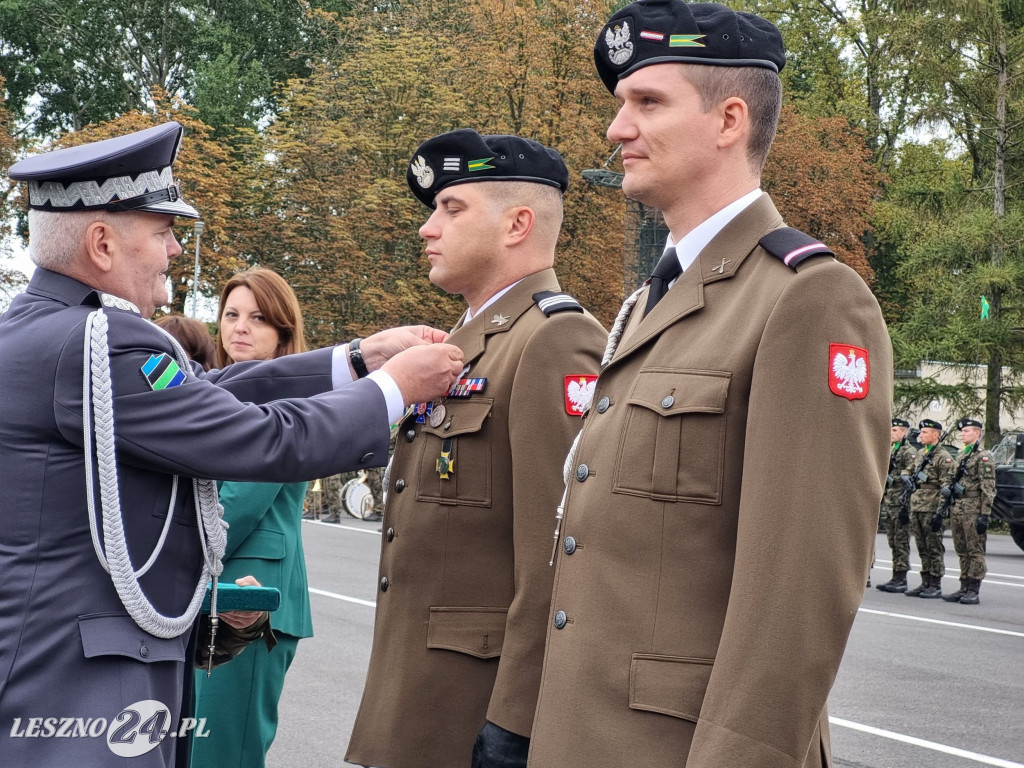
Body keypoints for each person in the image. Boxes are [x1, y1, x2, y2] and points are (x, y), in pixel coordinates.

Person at [0, 122, 462, 768]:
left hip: (60, 665)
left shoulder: (49, 331)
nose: (171, 253)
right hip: (83, 685)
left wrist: (354, 359)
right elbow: (261, 437)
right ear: (102, 244)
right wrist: (391, 389)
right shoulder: (100, 345)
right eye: (161, 234)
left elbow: (207, 389)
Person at [526, 3, 893, 766]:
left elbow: (797, 596)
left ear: (729, 120)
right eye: (621, 104)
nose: (615, 128)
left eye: (647, 103)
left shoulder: (808, 299)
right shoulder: (645, 302)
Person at [345, 129, 607, 768]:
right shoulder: (471, 341)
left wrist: (515, 724)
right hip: (420, 695)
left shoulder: (555, 340)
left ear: (518, 223)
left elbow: (560, 553)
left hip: (477, 710)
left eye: (451, 209)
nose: (427, 229)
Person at [190, 268, 317, 767]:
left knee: (224, 754)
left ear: (284, 333)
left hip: (251, 600)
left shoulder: (284, 400)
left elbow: (237, 505)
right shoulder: (218, 394)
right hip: (211, 594)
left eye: (258, 318)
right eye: (231, 315)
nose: (240, 327)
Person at [939, 418, 995, 605]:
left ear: (977, 433)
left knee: (975, 550)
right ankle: (963, 586)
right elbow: (949, 477)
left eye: (967, 431)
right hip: (958, 507)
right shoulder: (962, 455)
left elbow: (988, 488)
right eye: (962, 431)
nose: (962, 434)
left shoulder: (983, 457)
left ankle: (973, 589)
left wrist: (984, 515)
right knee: (962, 550)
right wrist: (946, 488)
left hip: (973, 509)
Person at [900, 419, 955, 598]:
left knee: (934, 547)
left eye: (925, 432)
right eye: (921, 432)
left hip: (931, 507)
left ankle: (936, 583)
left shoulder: (943, 457)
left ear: (936, 435)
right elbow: (907, 470)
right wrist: (906, 476)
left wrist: (940, 513)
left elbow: (946, 487)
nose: (920, 435)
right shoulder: (921, 453)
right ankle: (925, 582)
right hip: (916, 506)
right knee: (922, 546)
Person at [876, 417, 917, 593]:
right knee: (892, 540)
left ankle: (901, 578)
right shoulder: (892, 450)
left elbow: (912, 475)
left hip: (901, 501)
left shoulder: (909, 451)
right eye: (891, 429)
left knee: (901, 541)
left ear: (904, 432)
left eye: (895, 430)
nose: (891, 433)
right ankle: (895, 576)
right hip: (890, 500)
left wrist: (895, 478)